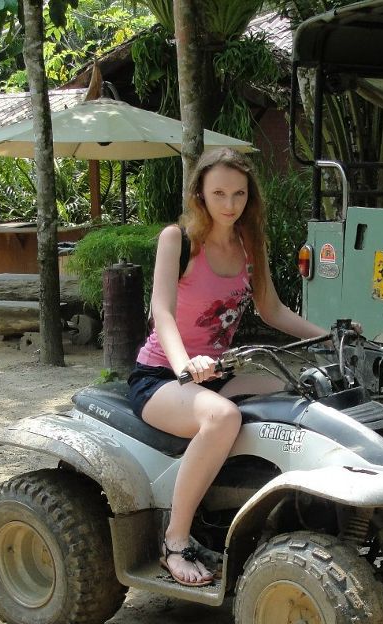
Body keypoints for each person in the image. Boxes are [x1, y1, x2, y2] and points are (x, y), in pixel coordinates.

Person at [127, 147, 329, 587]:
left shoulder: (249, 243)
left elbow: (272, 310)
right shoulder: (176, 239)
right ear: (199, 192)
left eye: (238, 194)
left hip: (215, 373)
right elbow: (161, 312)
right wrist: (185, 366)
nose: (229, 204)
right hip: (162, 376)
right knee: (222, 417)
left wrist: (329, 336)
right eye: (218, 192)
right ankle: (175, 541)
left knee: (301, 389)